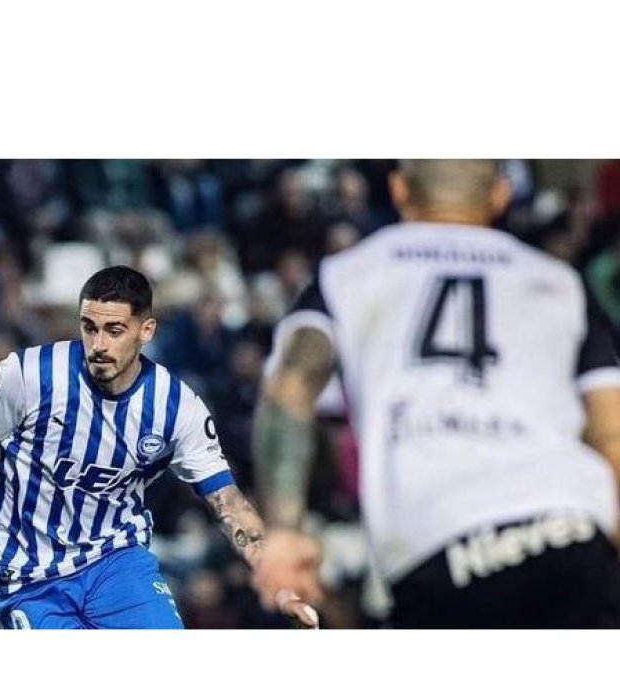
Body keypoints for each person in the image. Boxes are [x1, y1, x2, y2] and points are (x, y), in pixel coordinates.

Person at [253, 159, 620, 628]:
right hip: (570, 528)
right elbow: (610, 434)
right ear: (501, 195)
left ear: (400, 190)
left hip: (442, 543)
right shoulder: (561, 281)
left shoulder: (346, 273)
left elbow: (290, 387)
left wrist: (284, 531)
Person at [0, 265, 317, 629]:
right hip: (29, 575)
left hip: (115, 561)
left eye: (114, 330)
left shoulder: (175, 406)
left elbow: (228, 504)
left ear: (146, 329)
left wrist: (279, 583)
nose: (98, 344)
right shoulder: (30, 374)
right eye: (90, 328)